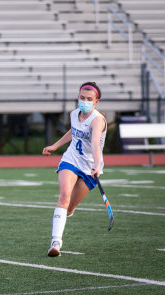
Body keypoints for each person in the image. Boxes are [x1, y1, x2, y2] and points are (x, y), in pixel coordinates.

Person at [42, 82, 107, 257]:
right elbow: (73, 131)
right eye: (81, 98)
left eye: (89, 99)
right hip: (70, 161)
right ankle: (55, 242)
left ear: (96, 102)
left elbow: (95, 143)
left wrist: (96, 165)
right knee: (64, 196)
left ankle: (68, 212)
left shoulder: (97, 120)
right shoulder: (74, 114)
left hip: (89, 168)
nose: (84, 101)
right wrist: (55, 146)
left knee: (69, 208)